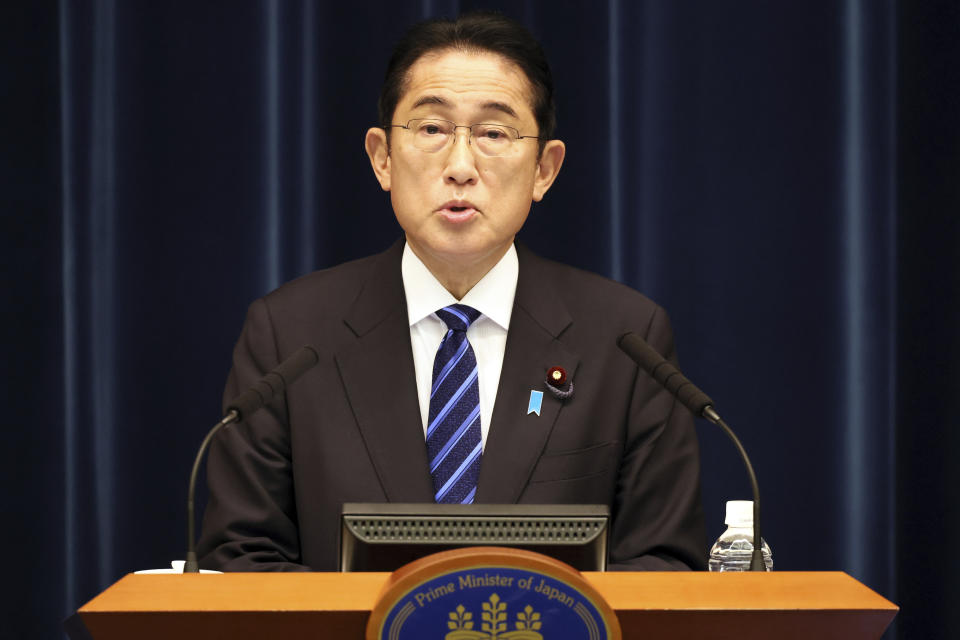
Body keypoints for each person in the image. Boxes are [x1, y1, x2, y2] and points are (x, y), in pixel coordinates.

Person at [198, 11, 707, 572]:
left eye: (494, 133)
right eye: (432, 129)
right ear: (382, 158)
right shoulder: (289, 335)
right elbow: (241, 557)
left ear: (544, 169)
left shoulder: (625, 339)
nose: (460, 166)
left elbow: (663, 565)